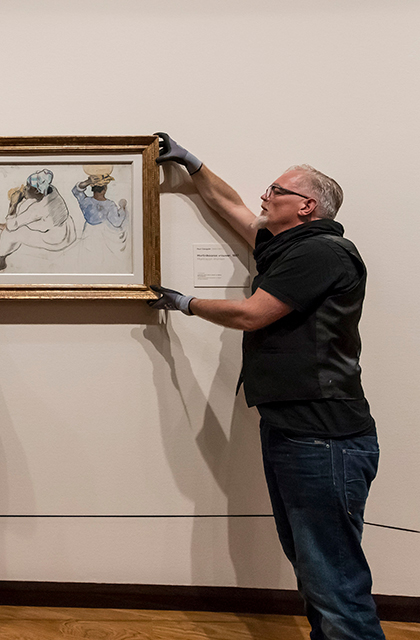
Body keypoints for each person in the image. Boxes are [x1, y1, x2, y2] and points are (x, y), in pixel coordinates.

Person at [151, 133, 383, 640]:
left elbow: (253, 314)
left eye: (276, 190)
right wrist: (190, 163)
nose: (264, 195)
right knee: (314, 567)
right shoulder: (288, 247)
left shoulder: (322, 252)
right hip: (295, 428)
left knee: (332, 576)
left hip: (324, 437)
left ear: (307, 206)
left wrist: (185, 303)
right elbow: (229, 204)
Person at [0, 168, 77, 273]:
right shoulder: (51, 191)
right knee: (26, 205)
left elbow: (15, 224)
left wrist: (13, 204)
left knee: (10, 232)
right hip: (65, 229)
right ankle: (13, 223)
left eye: (28, 186)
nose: (24, 188)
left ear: (37, 190)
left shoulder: (39, 209)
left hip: (56, 239)